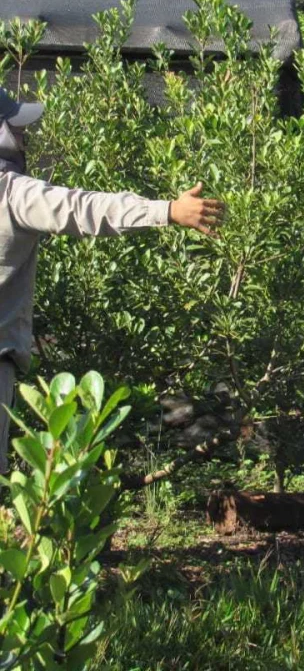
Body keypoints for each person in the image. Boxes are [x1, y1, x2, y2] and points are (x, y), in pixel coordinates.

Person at [0, 87, 225, 475]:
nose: (24, 137)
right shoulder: (12, 194)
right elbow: (82, 209)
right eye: (15, 129)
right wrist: (168, 210)